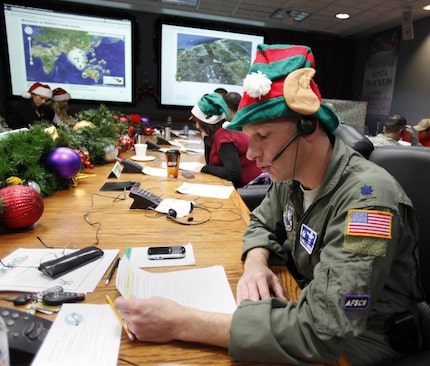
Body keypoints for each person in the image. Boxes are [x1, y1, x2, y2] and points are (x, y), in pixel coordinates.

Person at [114, 44, 423, 365]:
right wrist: (256, 263)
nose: (250, 153)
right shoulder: (291, 174)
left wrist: (181, 323)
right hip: (310, 306)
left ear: (308, 128)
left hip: (364, 337)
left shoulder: (368, 203)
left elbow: (325, 332)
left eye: (262, 135)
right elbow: (261, 221)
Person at [189, 92, 261, 188]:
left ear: (207, 123)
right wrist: (206, 137)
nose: (197, 126)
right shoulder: (220, 132)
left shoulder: (224, 135)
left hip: (251, 189)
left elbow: (233, 173)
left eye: (198, 122)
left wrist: (203, 168)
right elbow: (210, 162)